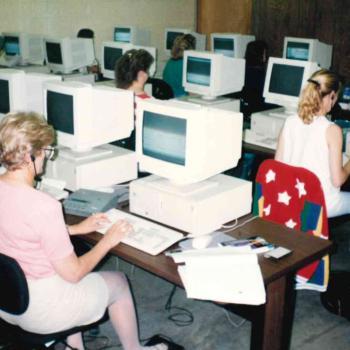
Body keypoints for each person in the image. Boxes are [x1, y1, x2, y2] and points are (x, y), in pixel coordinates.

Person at [0, 112, 167, 350]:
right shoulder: (43, 205)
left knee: (72, 278)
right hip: (41, 311)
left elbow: (22, 230)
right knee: (118, 282)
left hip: (8, 303)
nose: (47, 159)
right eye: (46, 152)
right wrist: (107, 241)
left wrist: (76, 228)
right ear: (29, 156)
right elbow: (74, 274)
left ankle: (74, 346)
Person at [275, 69, 350, 218]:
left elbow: (278, 167)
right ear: (332, 96)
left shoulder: (289, 121)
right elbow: (337, 180)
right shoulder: (332, 129)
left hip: (290, 198)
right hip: (320, 203)